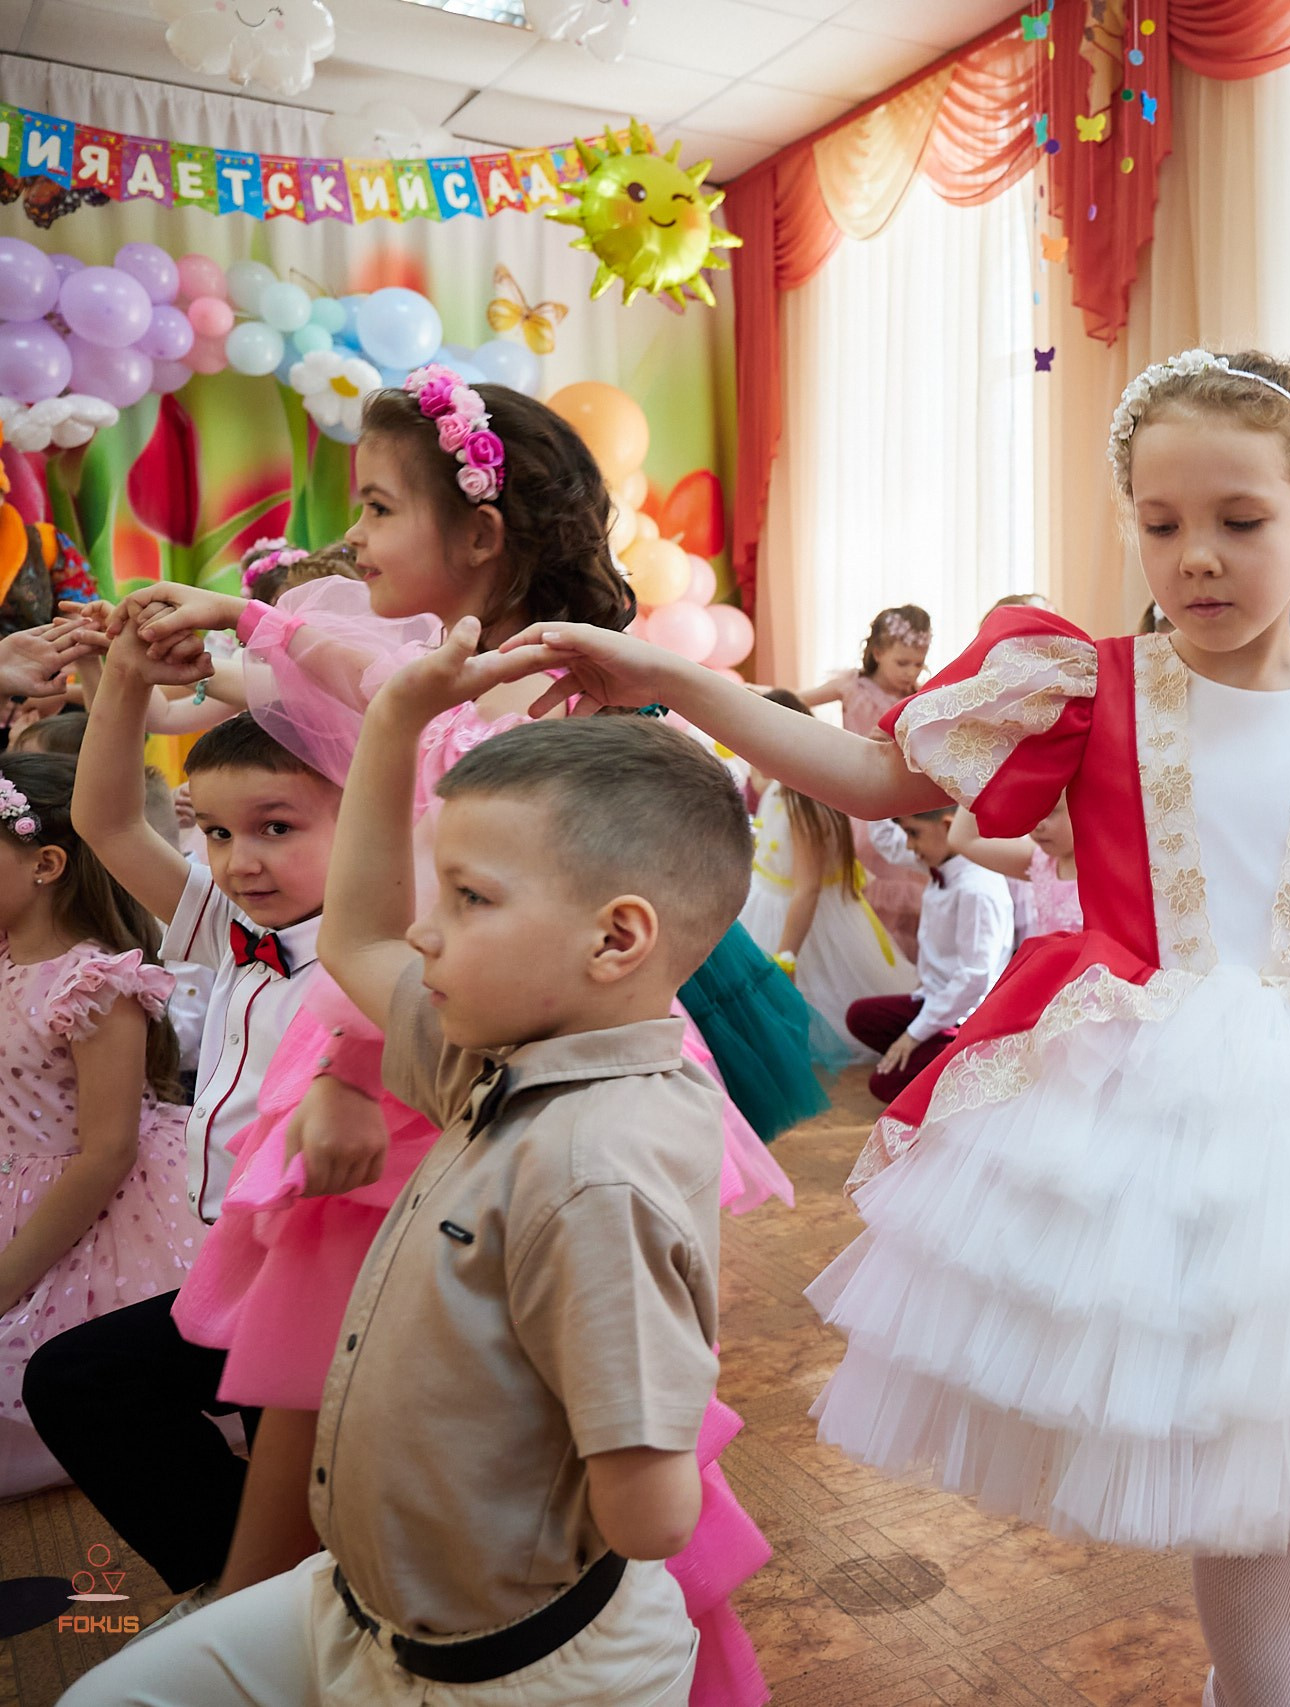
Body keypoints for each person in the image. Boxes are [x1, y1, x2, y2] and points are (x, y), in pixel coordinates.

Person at [497, 345, 1290, 1707]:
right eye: (1160, 522)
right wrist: (670, 679)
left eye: (1239, 520)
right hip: (1124, 1105)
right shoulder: (1087, 689)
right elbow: (874, 771)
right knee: (1230, 1486)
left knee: (1267, 1479)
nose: (1195, 556)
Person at [110, 371, 785, 1692]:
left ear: (479, 533)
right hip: (419, 1041)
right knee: (373, 1388)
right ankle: (324, 1600)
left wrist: (349, 1069)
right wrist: (233, 612)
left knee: (537, 1383)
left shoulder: (549, 718)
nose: (352, 538)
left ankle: (472, 1608)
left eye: (376, 507)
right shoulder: (441, 682)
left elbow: (414, 909)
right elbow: (348, 682)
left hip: (474, 1070)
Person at [61, 654, 743, 1707]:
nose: (423, 927)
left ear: (615, 937)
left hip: (510, 1663)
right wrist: (394, 719)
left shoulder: (594, 1175)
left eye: (466, 898)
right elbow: (359, 937)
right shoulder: (492, 1061)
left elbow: (650, 1517)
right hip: (365, 1600)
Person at [28, 656, 338, 1604]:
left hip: (330, 1285)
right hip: (238, 1267)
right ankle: (241, 1580)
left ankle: (282, 1589)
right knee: (78, 1379)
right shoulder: (230, 926)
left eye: (277, 828)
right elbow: (108, 821)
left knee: (322, 1480)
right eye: (217, 831)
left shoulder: (373, 955)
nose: (240, 860)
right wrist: (121, 678)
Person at [0, 753, 196, 1497]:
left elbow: (107, 1151)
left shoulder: (91, 982)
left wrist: (9, 1279)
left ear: (46, 864)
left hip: (97, 1211)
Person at [738, 689, 916, 1054]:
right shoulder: (784, 787)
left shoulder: (801, 802)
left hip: (795, 920)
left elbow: (807, 890)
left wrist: (786, 955)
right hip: (770, 903)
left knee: (807, 1000)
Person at [844, 805, 1012, 1103]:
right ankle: (928, 1056)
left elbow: (974, 979)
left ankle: (959, 1058)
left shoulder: (977, 888)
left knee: (883, 1086)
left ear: (947, 827)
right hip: (933, 1000)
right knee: (861, 1016)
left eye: (913, 833)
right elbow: (888, 842)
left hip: (964, 1016)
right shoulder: (945, 858)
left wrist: (913, 1035)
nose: (908, 845)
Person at [800, 605, 932, 957]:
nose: (911, 672)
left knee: (907, 895)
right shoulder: (852, 687)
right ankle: (865, 963)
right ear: (877, 653)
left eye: (919, 664)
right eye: (902, 663)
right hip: (858, 807)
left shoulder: (919, 697)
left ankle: (902, 974)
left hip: (902, 808)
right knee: (864, 896)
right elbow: (793, 701)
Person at [950, 798, 1082, 939]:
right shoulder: (1042, 862)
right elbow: (963, 839)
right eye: (1030, 811)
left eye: (1049, 812)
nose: (1036, 825)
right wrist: (983, 783)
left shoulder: (1101, 869)